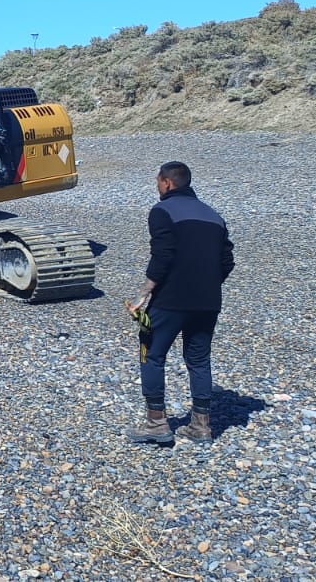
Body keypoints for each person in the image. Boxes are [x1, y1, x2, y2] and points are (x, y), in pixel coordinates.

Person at [126, 161, 235, 445]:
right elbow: (227, 261)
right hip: (208, 301)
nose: (157, 186)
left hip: (171, 299)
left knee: (150, 352)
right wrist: (205, 286)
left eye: (158, 181)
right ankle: (201, 426)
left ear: (168, 183)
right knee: (198, 358)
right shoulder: (214, 215)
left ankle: (156, 423)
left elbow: (163, 255)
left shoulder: (162, 211)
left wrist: (145, 293)